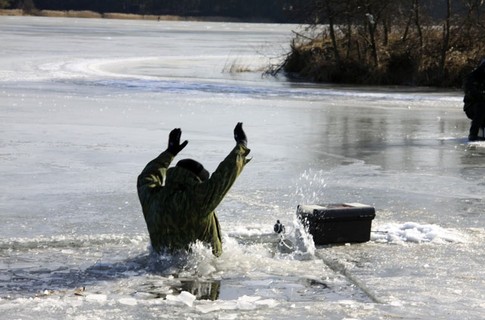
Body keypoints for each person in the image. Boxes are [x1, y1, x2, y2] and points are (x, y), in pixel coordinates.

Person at [137, 123, 250, 257]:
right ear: (195, 180)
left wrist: (169, 153)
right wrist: (241, 145)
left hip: (159, 272)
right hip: (201, 271)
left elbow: (146, 177)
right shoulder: (198, 200)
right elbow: (225, 173)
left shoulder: (152, 198)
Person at [463, 59, 485, 141]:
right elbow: (470, 91)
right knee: (481, 106)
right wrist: (482, 96)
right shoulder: (472, 77)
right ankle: (473, 133)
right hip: (472, 107)